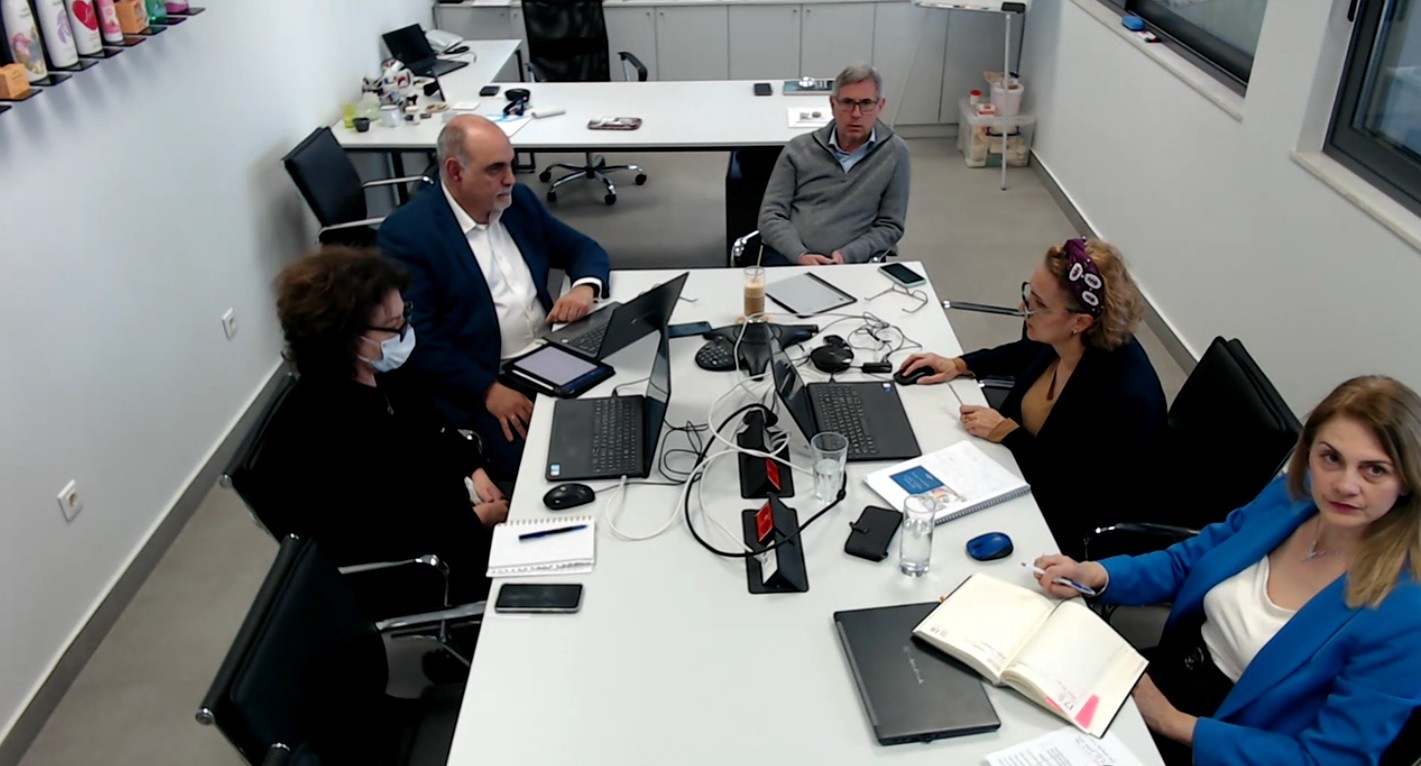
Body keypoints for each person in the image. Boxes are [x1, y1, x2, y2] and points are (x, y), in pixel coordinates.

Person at [1032, 375, 1421, 765]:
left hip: (1225, 744)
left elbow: (1327, 759)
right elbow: (1192, 560)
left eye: (1374, 470)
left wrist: (1171, 721)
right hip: (1163, 674)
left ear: (1407, 480)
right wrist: (1101, 575)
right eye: (1331, 458)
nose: (1344, 485)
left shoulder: (1406, 612)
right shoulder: (1293, 497)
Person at [264, 247, 510, 603]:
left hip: (456, 516)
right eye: (394, 326)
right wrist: (479, 520)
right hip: (428, 569)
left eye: (404, 316)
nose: (406, 331)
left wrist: (475, 470)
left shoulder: (384, 373)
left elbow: (436, 427)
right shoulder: (325, 428)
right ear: (346, 337)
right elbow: (389, 535)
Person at [898, 238, 1165, 558]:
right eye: (1028, 293)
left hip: (1060, 525)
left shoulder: (1126, 400)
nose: (1022, 308)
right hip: (1013, 472)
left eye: (1037, 303)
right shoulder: (1064, 338)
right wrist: (959, 364)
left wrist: (1009, 434)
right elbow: (1026, 352)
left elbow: (1078, 491)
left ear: (1080, 322)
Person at [378, 115, 612, 479]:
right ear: (455, 171)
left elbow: (583, 248)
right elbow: (419, 337)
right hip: (484, 376)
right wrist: (486, 389)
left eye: (511, 165)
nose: (511, 179)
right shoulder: (409, 233)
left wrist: (585, 286)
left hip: (548, 352)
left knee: (612, 413)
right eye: (495, 169)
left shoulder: (516, 202)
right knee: (546, 465)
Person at [756, 62, 910, 266]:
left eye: (866, 103)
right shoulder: (798, 149)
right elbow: (770, 215)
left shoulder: (895, 153)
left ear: (880, 106)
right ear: (832, 104)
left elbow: (890, 225)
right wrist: (799, 254)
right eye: (847, 102)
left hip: (852, 264)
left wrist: (848, 255)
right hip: (790, 259)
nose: (856, 113)